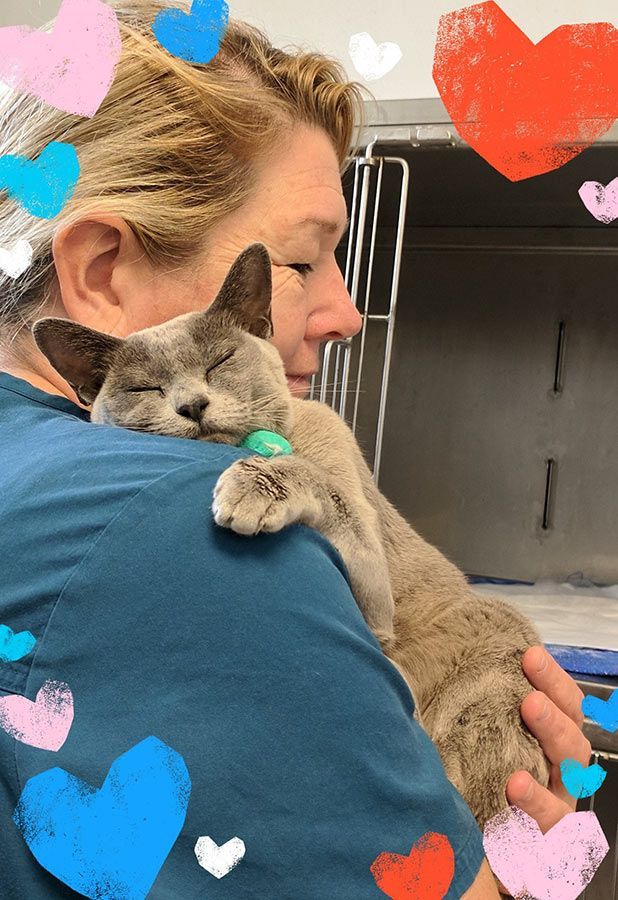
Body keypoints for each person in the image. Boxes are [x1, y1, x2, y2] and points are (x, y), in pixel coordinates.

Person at [0, 2, 591, 896]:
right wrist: (529, 875)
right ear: (102, 272)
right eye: (303, 262)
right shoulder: (194, 521)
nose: (348, 313)